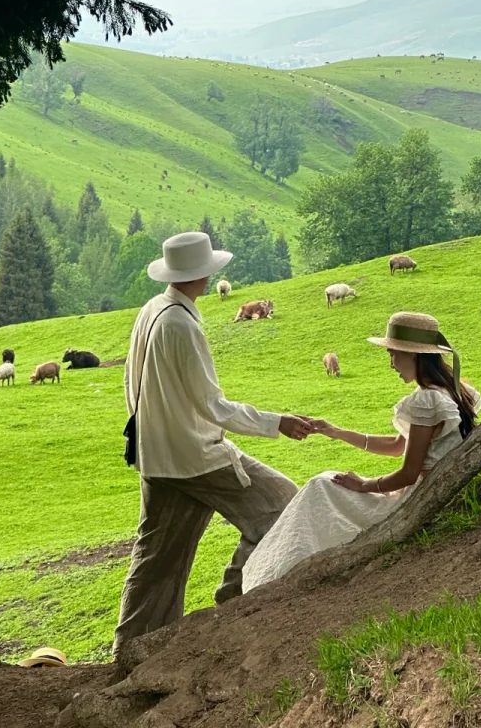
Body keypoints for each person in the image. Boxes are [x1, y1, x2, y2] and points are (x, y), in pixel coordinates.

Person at [114, 231, 313, 658]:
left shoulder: (151, 310)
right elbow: (213, 406)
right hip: (195, 456)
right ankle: (231, 605)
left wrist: (147, 434)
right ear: (203, 275)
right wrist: (277, 423)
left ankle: (133, 650)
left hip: (156, 455)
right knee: (281, 503)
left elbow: (131, 382)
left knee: (156, 558)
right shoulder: (179, 324)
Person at [240, 310, 481, 593]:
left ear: (413, 355)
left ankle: (273, 579)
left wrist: (365, 485)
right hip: (430, 489)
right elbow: (398, 445)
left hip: (416, 499)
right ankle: (279, 575)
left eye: (393, 354)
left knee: (321, 487)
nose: (391, 363)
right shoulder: (455, 390)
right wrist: (336, 431)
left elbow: (408, 473)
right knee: (324, 486)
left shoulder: (426, 401)